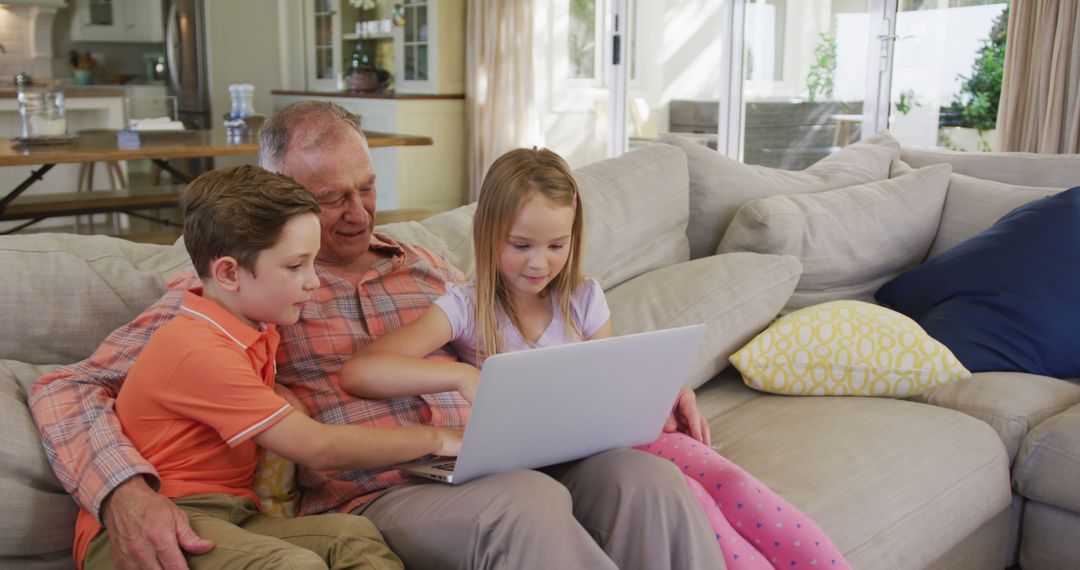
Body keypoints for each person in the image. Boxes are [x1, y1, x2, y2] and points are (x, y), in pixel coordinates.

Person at [29, 100, 722, 570]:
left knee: (648, 479)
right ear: (279, 199)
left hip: (495, 458)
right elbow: (69, 385)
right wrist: (121, 492)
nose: (359, 214)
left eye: (366, 187)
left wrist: (640, 388)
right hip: (386, 489)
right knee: (527, 504)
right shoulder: (240, 292)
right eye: (332, 200)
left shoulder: (428, 267)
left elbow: (528, 339)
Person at [342, 147, 851, 570]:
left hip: (601, 450)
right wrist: (458, 373)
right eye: (520, 245)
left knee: (725, 484)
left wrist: (664, 391)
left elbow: (611, 374)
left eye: (556, 245)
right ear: (488, 236)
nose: (539, 263)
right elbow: (364, 371)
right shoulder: (466, 307)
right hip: (537, 467)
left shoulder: (583, 298)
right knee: (701, 507)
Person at [76, 165, 422, 569]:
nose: (314, 282)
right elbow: (319, 448)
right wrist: (437, 440)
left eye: (313, 264)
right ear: (228, 273)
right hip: (156, 526)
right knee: (293, 565)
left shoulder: (254, 330)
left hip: (232, 514)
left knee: (352, 537)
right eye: (296, 267)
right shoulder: (196, 347)